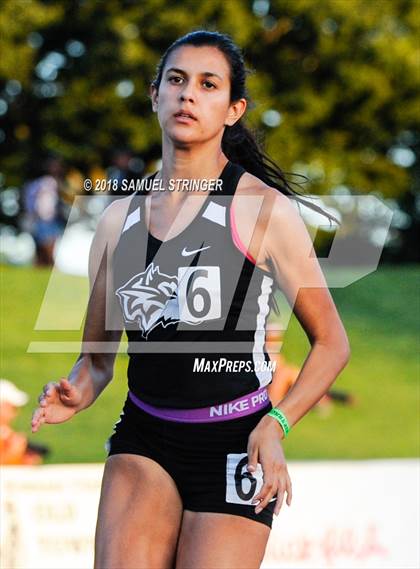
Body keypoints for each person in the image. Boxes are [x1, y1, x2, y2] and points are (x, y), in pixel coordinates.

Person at [31, 31, 350, 569]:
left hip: (235, 441)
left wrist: (279, 424)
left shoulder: (262, 210)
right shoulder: (116, 222)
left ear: (233, 109)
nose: (188, 95)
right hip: (145, 437)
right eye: (176, 81)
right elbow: (98, 359)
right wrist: (77, 391)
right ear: (154, 94)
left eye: (208, 85)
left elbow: (332, 344)